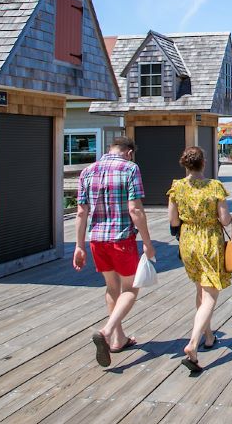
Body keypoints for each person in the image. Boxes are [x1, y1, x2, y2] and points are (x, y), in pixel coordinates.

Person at [73, 136, 155, 368]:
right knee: (130, 288)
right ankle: (107, 331)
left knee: (111, 287)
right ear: (129, 152)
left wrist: (79, 245)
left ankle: (119, 339)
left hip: (96, 240)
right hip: (121, 238)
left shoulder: (88, 171)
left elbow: (81, 212)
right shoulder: (130, 168)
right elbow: (135, 209)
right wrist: (147, 242)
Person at [168, 146, 232, 373]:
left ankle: (208, 336)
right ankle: (193, 345)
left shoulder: (177, 187)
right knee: (211, 294)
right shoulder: (214, 187)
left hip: (188, 242)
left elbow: (173, 221)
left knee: (200, 289)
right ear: (203, 163)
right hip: (209, 241)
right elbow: (224, 221)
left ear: (185, 164)